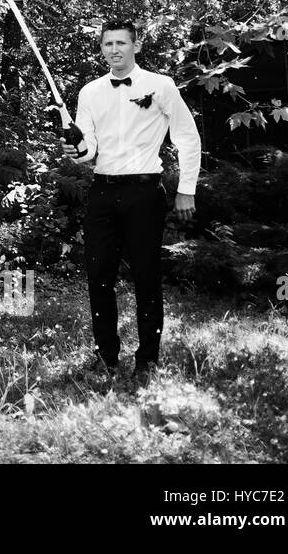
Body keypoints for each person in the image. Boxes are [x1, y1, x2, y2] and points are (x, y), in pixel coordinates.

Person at [66, 20, 200, 385]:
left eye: (121, 43)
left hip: (144, 191)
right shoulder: (90, 92)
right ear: (101, 49)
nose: (114, 50)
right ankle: (106, 356)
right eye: (108, 44)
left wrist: (186, 187)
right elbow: (89, 149)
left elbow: (187, 136)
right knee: (98, 277)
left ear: (136, 46)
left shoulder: (161, 86)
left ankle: (147, 360)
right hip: (102, 191)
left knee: (146, 276)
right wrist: (78, 150)